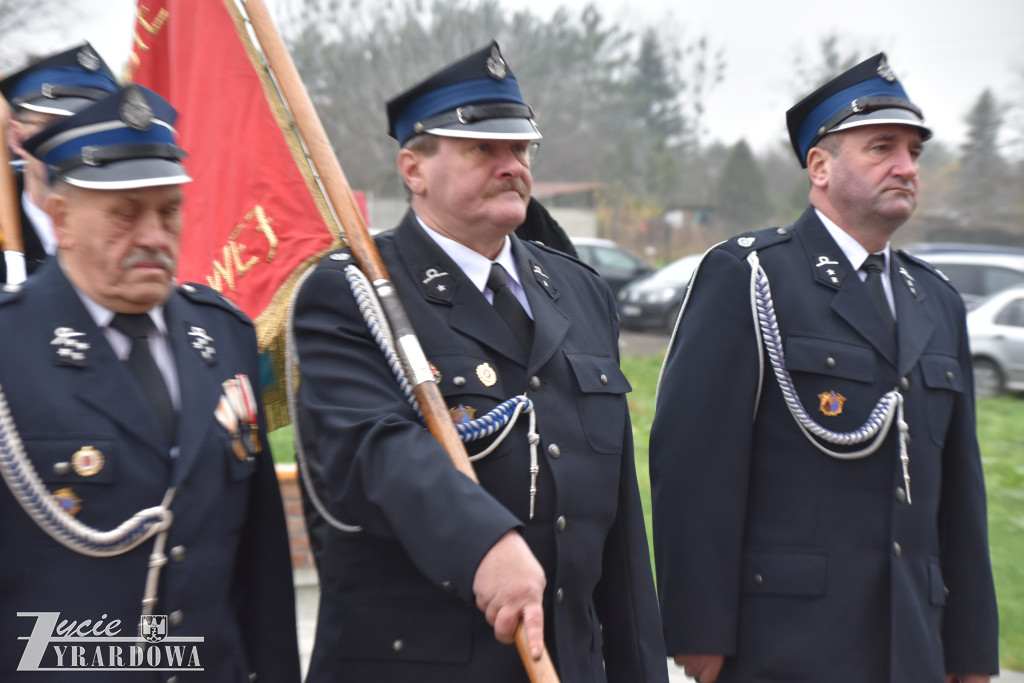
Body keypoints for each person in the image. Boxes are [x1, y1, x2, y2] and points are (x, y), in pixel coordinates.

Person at [293, 42, 667, 683]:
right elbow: (375, 451)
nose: (510, 165)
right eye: (481, 149)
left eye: (519, 150)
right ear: (414, 168)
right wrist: (484, 541)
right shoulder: (354, 290)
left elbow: (619, 530)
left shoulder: (579, 289)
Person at [650, 53, 999, 683]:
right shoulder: (753, 277)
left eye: (914, 152)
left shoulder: (937, 300)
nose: (906, 166)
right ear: (819, 166)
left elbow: (961, 497)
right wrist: (697, 631)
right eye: (881, 147)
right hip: (786, 643)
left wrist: (971, 654)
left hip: (913, 641)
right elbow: (693, 466)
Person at [0, 84, 301, 681]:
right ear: (60, 217)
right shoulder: (11, 347)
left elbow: (262, 568)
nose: (154, 237)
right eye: (125, 213)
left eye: (168, 211)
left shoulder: (224, 337)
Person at [0, 42, 120, 285]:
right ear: (15, 136)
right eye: (53, 128)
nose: (74, 145)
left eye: (89, 129)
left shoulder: (139, 229)